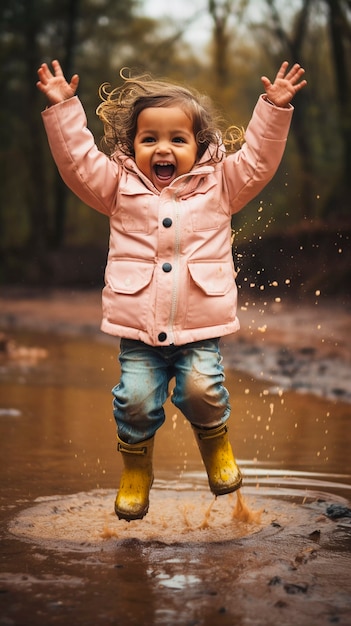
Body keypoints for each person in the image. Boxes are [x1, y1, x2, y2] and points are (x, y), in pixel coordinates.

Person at [37, 59, 306, 522]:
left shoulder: (221, 185)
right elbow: (78, 164)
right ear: (132, 145)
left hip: (199, 328)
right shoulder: (117, 187)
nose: (163, 148)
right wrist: (64, 109)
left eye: (177, 139)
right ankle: (136, 473)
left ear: (199, 147)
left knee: (203, 390)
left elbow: (259, 161)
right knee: (135, 402)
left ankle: (217, 448)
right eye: (149, 139)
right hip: (139, 331)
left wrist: (273, 108)